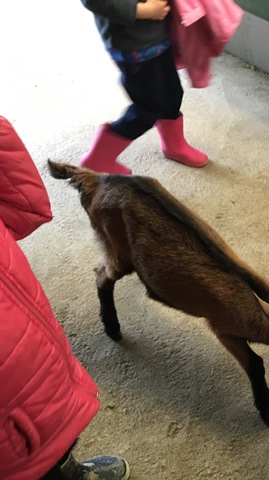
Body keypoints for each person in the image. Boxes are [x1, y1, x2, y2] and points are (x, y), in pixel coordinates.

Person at [0, 116, 130, 480]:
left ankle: (64, 468)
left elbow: (26, 210)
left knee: (51, 442)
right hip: (11, 405)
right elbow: (29, 207)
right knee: (32, 457)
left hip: (29, 361)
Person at [79, 0, 208, 175]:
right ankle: (98, 157)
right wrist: (142, 10)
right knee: (148, 108)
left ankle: (174, 144)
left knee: (172, 92)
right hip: (133, 45)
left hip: (159, 34)